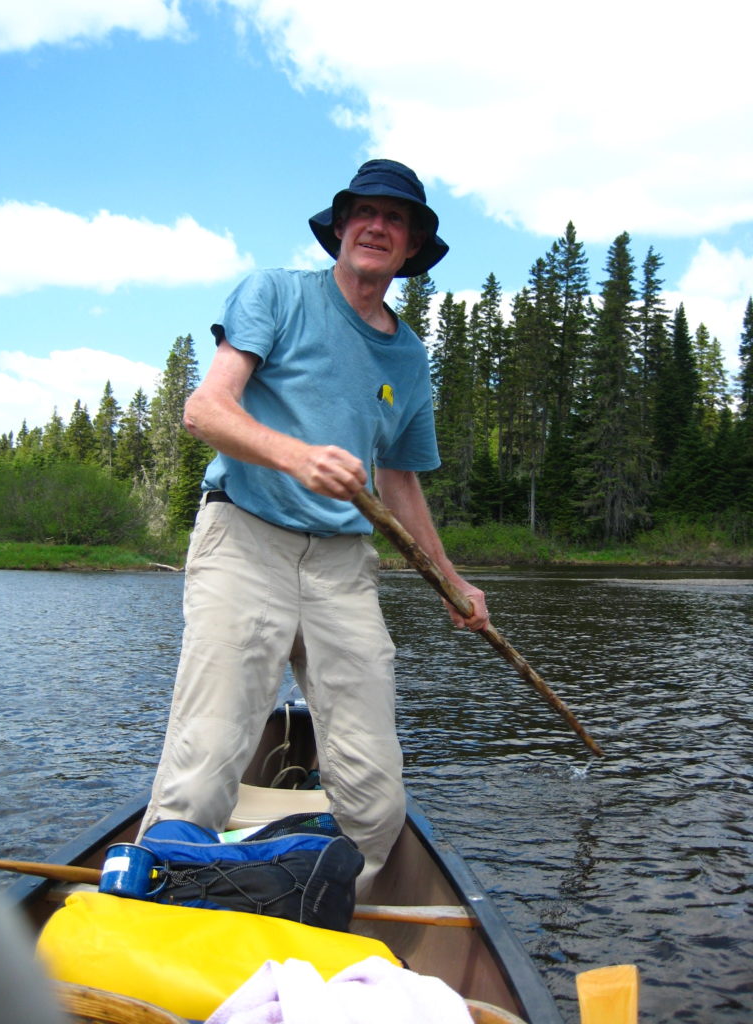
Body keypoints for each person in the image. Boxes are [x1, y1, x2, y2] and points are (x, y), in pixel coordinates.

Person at [139, 159, 489, 889]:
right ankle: (163, 902)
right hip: (246, 542)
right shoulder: (275, 294)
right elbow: (205, 409)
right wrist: (296, 457)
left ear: (413, 246)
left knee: (374, 797)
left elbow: (399, 483)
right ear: (338, 229)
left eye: (395, 219)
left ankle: (320, 910)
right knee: (204, 767)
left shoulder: (409, 356)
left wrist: (453, 582)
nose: (376, 226)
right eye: (363, 211)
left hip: (342, 568)